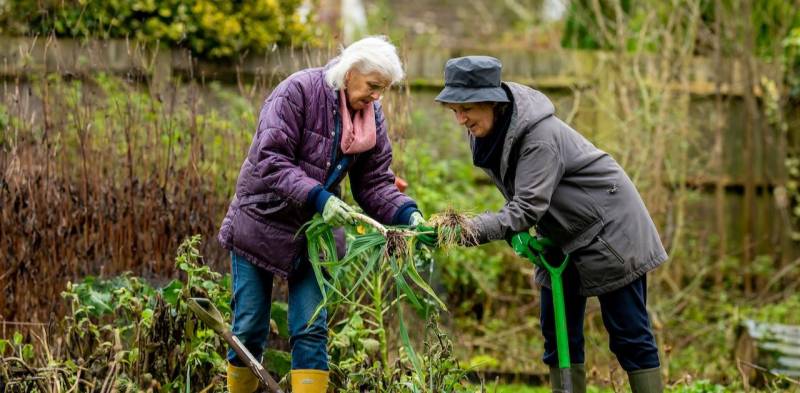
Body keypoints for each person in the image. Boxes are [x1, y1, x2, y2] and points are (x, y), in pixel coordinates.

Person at [421, 56, 667, 393]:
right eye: (454, 111)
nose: (460, 119)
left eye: (466, 109)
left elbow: (525, 208)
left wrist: (469, 229)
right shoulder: (488, 134)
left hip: (611, 229)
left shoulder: (539, 137)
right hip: (563, 236)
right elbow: (522, 198)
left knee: (629, 334)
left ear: (492, 102)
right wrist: (517, 233)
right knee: (557, 333)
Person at [217, 36, 425, 393]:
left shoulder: (370, 116)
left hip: (314, 231)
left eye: (383, 90)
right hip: (261, 220)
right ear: (349, 73)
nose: (377, 97)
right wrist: (318, 196)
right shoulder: (298, 91)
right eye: (373, 87)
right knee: (250, 326)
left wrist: (408, 215)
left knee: (311, 327)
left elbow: (373, 182)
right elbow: (270, 158)